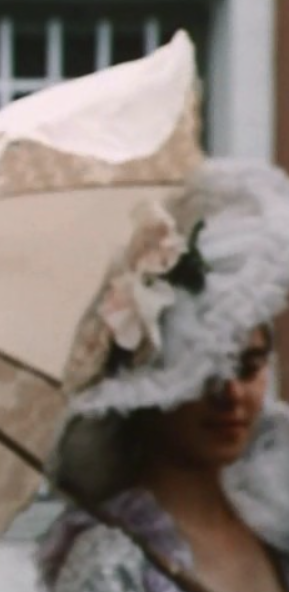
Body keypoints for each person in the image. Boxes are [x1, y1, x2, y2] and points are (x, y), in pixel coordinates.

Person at [37, 161, 289, 592]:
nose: (230, 393)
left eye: (248, 366)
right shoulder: (114, 554)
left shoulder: (273, 519)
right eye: (203, 372)